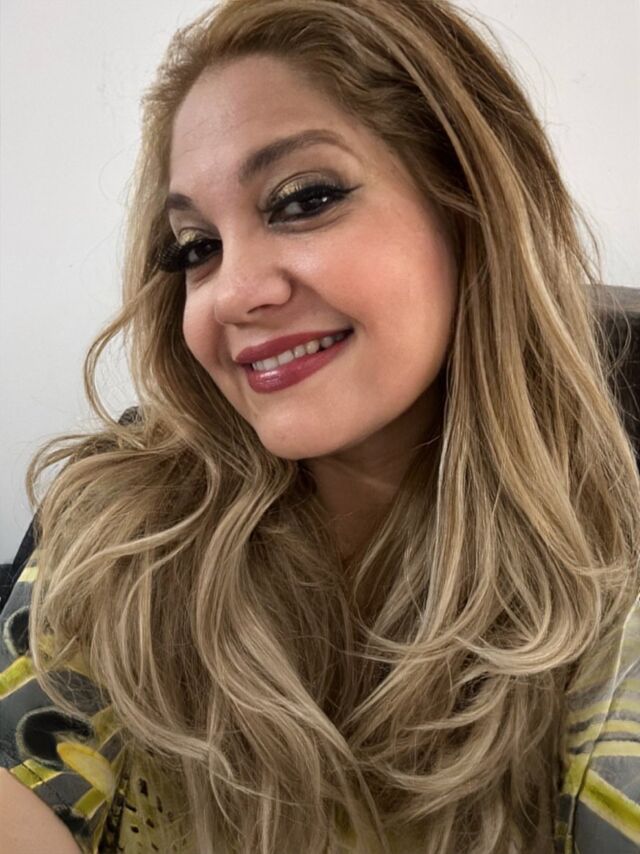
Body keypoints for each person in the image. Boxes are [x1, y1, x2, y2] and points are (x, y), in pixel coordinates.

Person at [1, 0, 639, 851]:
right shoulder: (117, 528)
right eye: (196, 248)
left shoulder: (607, 597)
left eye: (304, 200)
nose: (231, 294)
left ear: (472, 210)